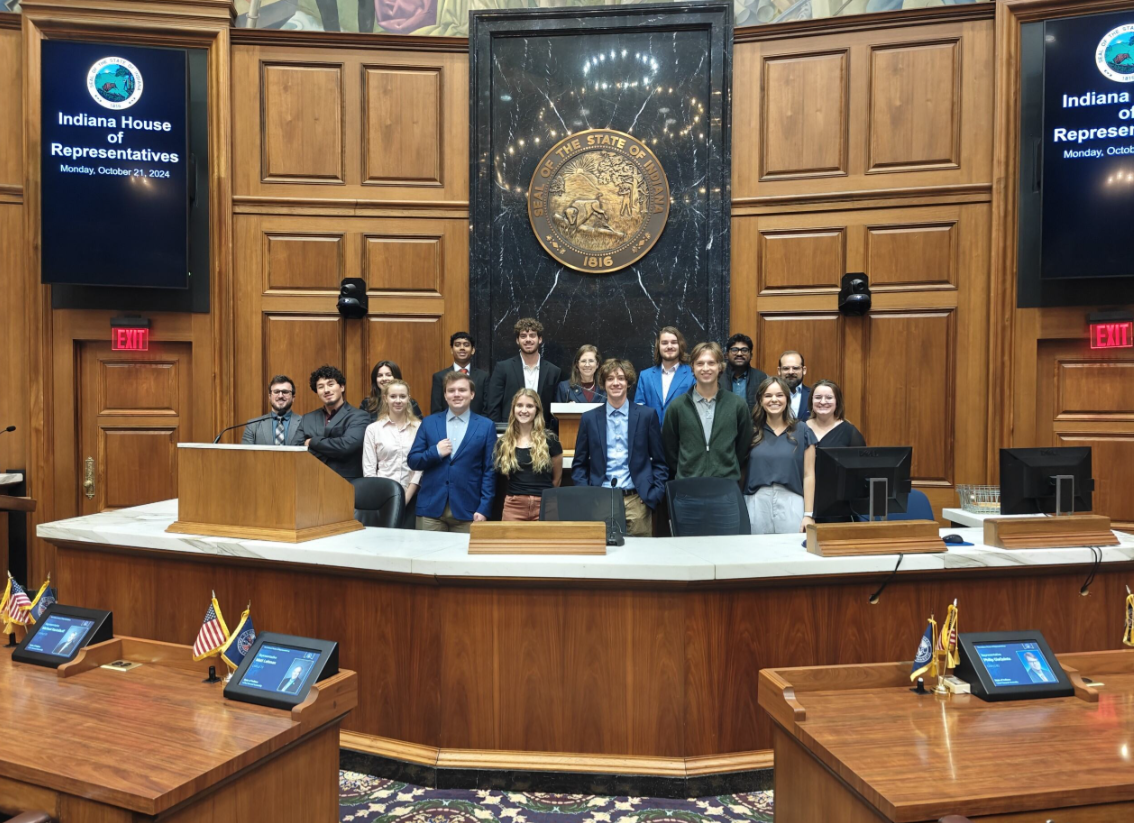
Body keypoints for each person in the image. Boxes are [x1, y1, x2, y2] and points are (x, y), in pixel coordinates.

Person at [572, 359, 668, 537]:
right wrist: (587, 495)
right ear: (603, 384)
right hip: (601, 499)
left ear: (628, 382)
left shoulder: (647, 416)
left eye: (621, 378)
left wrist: (652, 495)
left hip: (637, 501)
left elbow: (660, 462)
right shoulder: (589, 419)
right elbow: (579, 464)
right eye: (610, 379)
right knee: (603, 559)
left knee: (639, 559)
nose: (615, 383)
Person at [408, 371, 496, 532]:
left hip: (469, 510)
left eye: (462, 390)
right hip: (430, 510)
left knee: (464, 558)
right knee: (426, 556)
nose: (456, 394)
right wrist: (435, 452)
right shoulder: (429, 423)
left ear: (472, 394)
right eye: (451, 390)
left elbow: (489, 471)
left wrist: (484, 507)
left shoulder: (486, 426)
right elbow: (413, 460)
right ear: (445, 395)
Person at [661, 342, 753, 481]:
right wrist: (687, 470)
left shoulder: (737, 405)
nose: (705, 368)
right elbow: (669, 449)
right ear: (692, 367)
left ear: (720, 366)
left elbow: (743, 447)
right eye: (700, 363)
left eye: (711, 363)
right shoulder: (677, 407)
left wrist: (726, 468)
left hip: (725, 487)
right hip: (688, 486)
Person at [743, 377, 817, 534]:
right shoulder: (750, 430)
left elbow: (809, 475)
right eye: (768, 396)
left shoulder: (802, 430)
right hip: (756, 501)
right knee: (756, 554)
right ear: (760, 400)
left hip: (792, 501)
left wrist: (808, 515)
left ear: (787, 399)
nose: (774, 400)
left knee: (791, 553)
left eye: (779, 395)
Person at [494, 389, 563, 521]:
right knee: (511, 542)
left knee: (546, 542)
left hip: (545, 505)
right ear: (513, 409)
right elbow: (507, 477)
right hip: (514, 506)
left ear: (537, 410)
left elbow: (557, 479)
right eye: (519, 405)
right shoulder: (503, 442)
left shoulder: (550, 440)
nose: (524, 410)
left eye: (529, 406)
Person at [362, 379, 422, 528]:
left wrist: (405, 498)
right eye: (393, 396)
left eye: (402, 396)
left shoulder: (420, 428)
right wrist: (383, 498)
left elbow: (420, 468)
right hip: (382, 499)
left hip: (413, 498)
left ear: (409, 398)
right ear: (385, 398)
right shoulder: (373, 429)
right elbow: (369, 470)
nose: (398, 400)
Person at [486, 317, 562, 428]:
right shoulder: (503, 368)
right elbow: (493, 406)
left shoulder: (554, 371)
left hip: (542, 433)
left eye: (532, 335)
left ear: (539, 339)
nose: (528, 340)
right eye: (523, 336)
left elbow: (556, 409)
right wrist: (499, 432)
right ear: (517, 340)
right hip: (510, 431)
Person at [297, 365, 369, 479]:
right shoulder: (307, 418)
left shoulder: (359, 416)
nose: (326, 390)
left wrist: (312, 442)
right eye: (320, 387)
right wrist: (333, 448)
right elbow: (297, 450)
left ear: (342, 387)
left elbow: (347, 446)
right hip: (312, 480)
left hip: (347, 483)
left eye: (331, 384)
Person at [636, 326, 695, 423]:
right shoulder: (645, 376)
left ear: (680, 345)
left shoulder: (692, 374)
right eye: (664, 343)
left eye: (674, 342)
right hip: (651, 435)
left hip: (681, 435)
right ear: (658, 346)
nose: (669, 346)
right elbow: (639, 409)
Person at [430, 332, 489, 415]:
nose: (462, 348)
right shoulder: (439, 377)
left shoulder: (483, 377)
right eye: (457, 345)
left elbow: (487, 408)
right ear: (451, 350)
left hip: (477, 425)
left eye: (466, 345)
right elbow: (436, 409)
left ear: (473, 350)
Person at [243, 375, 305, 445]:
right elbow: (246, 455)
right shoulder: (253, 426)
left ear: (293, 397)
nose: (280, 396)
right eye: (276, 392)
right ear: (270, 396)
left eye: (285, 392)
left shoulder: (305, 424)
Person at [805, 379, 866, 447]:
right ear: (811, 401)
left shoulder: (850, 432)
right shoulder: (800, 429)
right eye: (818, 397)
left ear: (837, 402)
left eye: (829, 398)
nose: (823, 402)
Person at [719, 333, 769, 410]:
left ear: (751, 355)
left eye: (744, 350)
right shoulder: (718, 377)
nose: (739, 354)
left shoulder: (762, 378)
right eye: (734, 350)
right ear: (727, 355)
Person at [778, 351, 810, 422]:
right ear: (779, 371)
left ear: (804, 370)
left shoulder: (813, 396)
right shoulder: (770, 397)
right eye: (786, 368)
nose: (791, 372)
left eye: (795, 368)